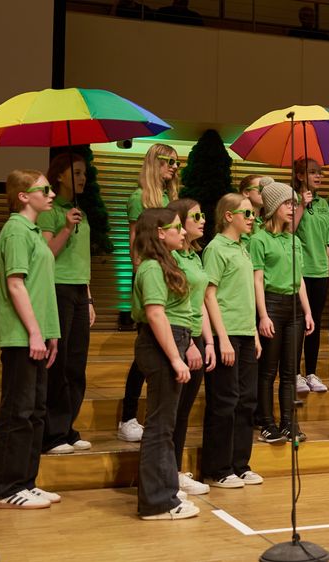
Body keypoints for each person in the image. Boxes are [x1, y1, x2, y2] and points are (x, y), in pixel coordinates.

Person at [0, 169, 61, 510]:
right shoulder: (16, 231)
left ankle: (26, 481)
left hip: (38, 335)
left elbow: (41, 288)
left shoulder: (32, 232)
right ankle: (6, 488)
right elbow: (16, 284)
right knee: (17, 412)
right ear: (22, 196)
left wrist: (51, 333)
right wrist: (34, 331)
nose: (51, 194)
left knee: (34, 412)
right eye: (44, 189)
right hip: (21, 337)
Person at [130, 208, 199, 521]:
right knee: (159, 426)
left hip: (176, 337)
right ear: (159, 233)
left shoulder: (165, 263)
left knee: (164, 424)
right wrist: (174, 357)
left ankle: (165, 493)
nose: (183, 232)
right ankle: (157, 502)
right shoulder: (151, 268)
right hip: (162, 343)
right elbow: (156, 313)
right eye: (176, 227)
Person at [119, 143, 182, 443]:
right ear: (153, 163)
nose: (173, 167)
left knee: (163, 348)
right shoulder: (138, 198)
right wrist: (146, 276)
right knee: (146, 347)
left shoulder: (172, 199)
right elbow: (135, 246)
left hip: (170, 275)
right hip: (150, 277)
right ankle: (128, 416)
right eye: (169, 161)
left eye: (177, 163)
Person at [201, 193, 263, 489]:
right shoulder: (216, 248)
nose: (252, 219)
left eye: (253, 215)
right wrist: (222, 338)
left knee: (246, 401)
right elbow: (209, 294)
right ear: (229, 216)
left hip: (245, 333)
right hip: (225, 333)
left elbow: (246, 293)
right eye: (247, 214)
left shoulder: (244, 247)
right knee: (223, 402)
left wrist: (252, 332)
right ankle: (218, 468)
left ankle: (240, 464)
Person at [251, 182, 315, 444]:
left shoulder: (294, 240)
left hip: (294, 308)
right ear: (274, 206)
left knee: (291, 370)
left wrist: (308, 312)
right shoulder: (259, 239)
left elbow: (298, 278)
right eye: (288, 204)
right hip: (272, 304)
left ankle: (289, 422)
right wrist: (263, 315)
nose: (293, 208)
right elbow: (257, 279)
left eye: (294, 203)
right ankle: (267, 423)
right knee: (268, 370)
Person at [39, 153, 94, 455]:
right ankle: (53, 433)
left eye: (84, 172)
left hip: (78, 292)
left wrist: (89, 297)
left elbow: (82, 260)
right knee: (58, 365)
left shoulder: (79, 211)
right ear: (59, 176)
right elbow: (47, 254)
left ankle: (68, 427)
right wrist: (65, 227)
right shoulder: (51, 211)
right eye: (76, 172)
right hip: (57, 289)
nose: (82, 177)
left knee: (76, 364)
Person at [165, 198, 213, 497]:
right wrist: (191, 344)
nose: (202, 220)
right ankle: (165, 472)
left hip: (195, 337)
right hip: (179, 337)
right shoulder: (173, 258)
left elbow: (203, 303)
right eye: (196, 216)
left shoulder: (195, 257)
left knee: (182, 413)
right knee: (171, 412)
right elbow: (178, 306)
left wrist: (207, 340)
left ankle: (175, 470)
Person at [295, 158, 329, 394]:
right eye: (312, 172)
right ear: (299, 176)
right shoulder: (292, 200)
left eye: (320, 172)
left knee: (314, 324)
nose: (318, 176)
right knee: (299, 324)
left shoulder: (323, 204)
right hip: (301, 271)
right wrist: (300, 205)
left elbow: (328, 238)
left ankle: (311, 372)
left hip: (321, 271)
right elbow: (287, 230)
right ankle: (295, 374)